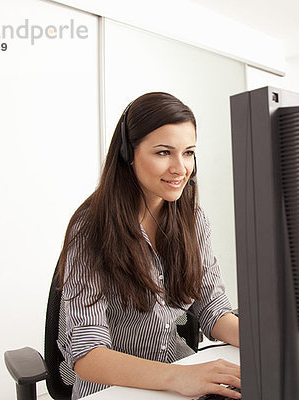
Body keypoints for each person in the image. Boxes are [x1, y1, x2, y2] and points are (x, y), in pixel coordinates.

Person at [57, 92, 241, 399]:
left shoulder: (191, 217)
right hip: (113, 389)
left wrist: (267, 344)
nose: (181, 168)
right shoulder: (91, 227)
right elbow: (88, 355)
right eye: (163, 152)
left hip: (178, 373)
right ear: (129, 153)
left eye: (189, 152)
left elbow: (211, 307)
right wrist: (178, 377)